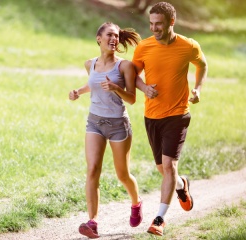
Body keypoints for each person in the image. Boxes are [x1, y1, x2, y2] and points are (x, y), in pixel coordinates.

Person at [132, 2, 208, 236]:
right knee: (162, 169)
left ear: (171, 22)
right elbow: (133, 76)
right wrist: (144, 87)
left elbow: (202, 65)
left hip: (178, 114)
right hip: (152, 115)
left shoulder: (188, 45)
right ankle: (181, 185)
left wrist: (197, 89)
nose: (154, 28)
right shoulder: (144, 47)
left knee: (169, 165)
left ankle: (159, 219)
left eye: (159, 24)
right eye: (151, 24)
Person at [69, 22, 143, 239]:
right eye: (110, 35)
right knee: (92, 170)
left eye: (117, 36)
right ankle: (92, 222)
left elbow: (132, 98)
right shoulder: (89, 64)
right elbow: (93, 84)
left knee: (123, 174)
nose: (114, 39)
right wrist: (78, 92)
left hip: (119, 125)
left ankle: (136, 203)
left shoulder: (124, 66)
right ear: (98, 38)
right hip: (95, 122)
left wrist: (116, 88)